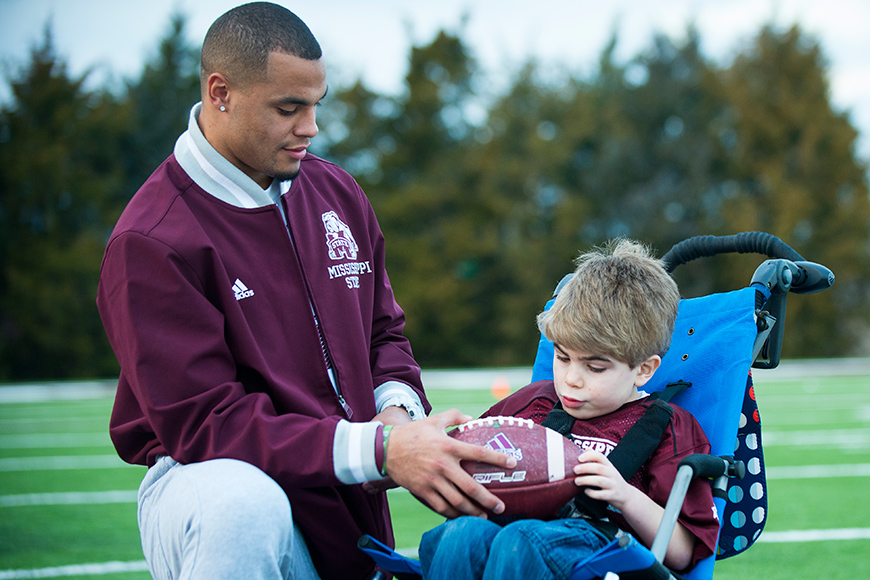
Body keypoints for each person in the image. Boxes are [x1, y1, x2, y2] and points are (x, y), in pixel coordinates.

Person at [95, 3, 514, 579]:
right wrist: (379, 451)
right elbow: (206, 426)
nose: (311, 128)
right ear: (220, 92)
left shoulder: (336, 191)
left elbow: (382, 334)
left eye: (316, 105)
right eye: (288, 108)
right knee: (243, 503)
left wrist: (396, 417)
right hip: (211, 484)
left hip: (344, 491)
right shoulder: (151, 239)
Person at [419, 239, 720, 580]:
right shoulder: (534, 402)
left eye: (595, 367)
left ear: (644, 370)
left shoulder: (667, 427)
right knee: (461, 534)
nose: (571, 380)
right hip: (512, 534)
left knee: (522, 540)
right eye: (562, 358)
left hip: (603, 553)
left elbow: (681, 553)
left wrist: (624, 496)